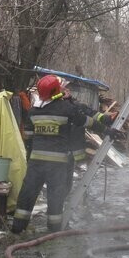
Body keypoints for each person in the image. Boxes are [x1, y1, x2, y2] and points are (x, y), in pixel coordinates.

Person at [11, 75, 117, 234]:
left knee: (27, 194)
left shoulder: (33, 112)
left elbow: (28, 136)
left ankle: (17, 229)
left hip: (35, 163)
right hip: (57, 164)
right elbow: (88, 122)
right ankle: (54, 231)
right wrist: (108, 131)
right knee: (55, 197)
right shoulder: (67, 109)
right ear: (57, 91)